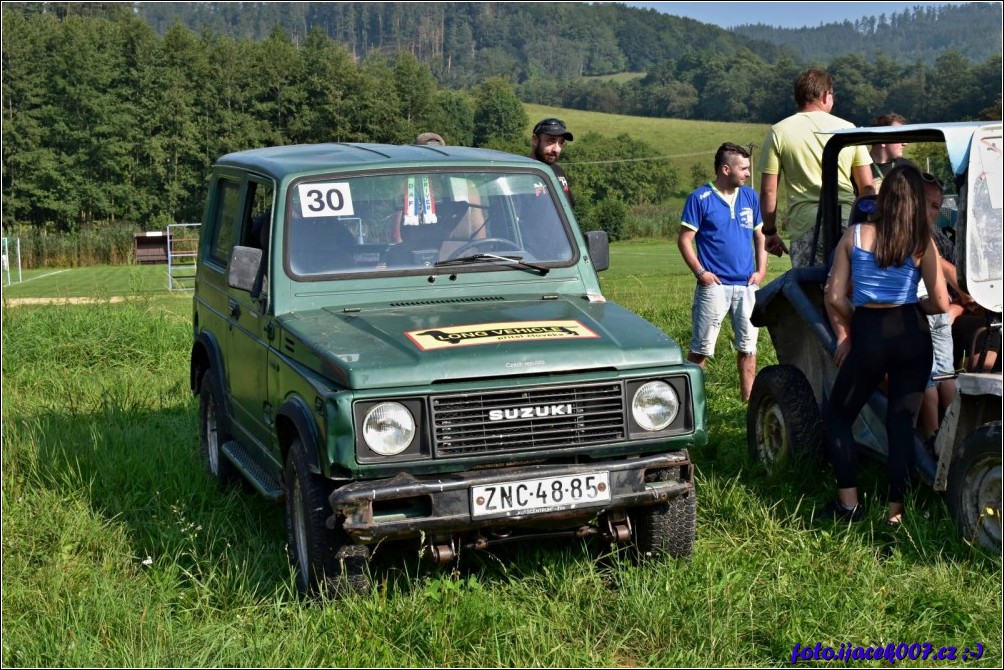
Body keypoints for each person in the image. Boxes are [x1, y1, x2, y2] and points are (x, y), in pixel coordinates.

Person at [822, 164, 949, 526]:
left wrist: (861, 316)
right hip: (912, 333)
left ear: (883, 198)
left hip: (870, 334)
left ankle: (849, 506)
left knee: (838, 417)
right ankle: (896, 514)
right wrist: (914, 306)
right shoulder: (921, 240)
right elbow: (941, 302)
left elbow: (833, 296)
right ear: (915, 201)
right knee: (901, 423)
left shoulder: (855, 235)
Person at [678, 143, 768, 402]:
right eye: (744, 168)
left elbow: (760, 236)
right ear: (726, 169)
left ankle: (748, 404)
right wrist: (701, 273)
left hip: (747, 285)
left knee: (748, 348)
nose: (748, 173)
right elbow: (684, 240)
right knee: (701, 348)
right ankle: (691, 403)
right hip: (714, 286)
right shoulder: (700, 198)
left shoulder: (750, 197)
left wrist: (761, 271)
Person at [759, 69, 875, 267]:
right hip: (848, 222)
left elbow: (769, 191)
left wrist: (770, 231)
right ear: (824, 95)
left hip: (805, 226)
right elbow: (867, 187)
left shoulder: (779, 131)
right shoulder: (849, 129)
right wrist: (867, 225)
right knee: (849, 284)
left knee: (811, 285)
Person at [530, 118, 575, 207]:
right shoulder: (521, 171)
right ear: (535, 140)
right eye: (551, 141)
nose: (556, 149)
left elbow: (567, 207)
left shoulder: (559, 172)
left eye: (560, 143)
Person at [869, 113, 916, 191]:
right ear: (882, 139)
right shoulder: (860, 169)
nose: (905, 143)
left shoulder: (909, 168)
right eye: (899, 137)